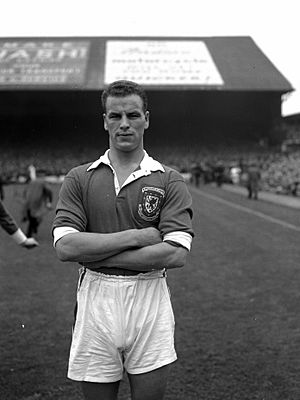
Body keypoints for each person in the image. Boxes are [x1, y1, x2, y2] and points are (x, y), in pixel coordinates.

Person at [52, 80, 194, 400]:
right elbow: (66, 247)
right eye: (115, 116)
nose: (124, 124)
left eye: (132, 115)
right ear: (105, 121)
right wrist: (136, 236)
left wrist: (96, 254)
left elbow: (175, 254)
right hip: (96, 299)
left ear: (146, 118)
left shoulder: (168, 178)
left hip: (149, 297)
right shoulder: (80, 177)